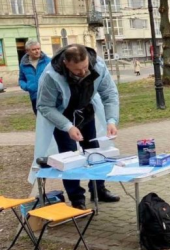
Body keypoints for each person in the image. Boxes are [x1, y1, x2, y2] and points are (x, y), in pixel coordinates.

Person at [34, 44, 121, 209]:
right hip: (63, 115)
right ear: (66, 63)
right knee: (68, 158)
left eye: (85, 67)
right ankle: (76, 198)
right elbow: (45, 106)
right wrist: (67, 126)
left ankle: (98, 190)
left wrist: (111, 120)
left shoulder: (98, 66)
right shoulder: (50, 75)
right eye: (77, 70)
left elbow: (109, 94)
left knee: (94, 151)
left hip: (85, 111)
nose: (83, 73)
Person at [19, 40, 51, 115]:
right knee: (39, 118)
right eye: (34, 49)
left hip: (49, 96)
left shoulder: (49, 62)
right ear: (27, 51)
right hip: (34, 97)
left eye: (38, 49)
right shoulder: (23, 64)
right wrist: (27, 86)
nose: (37, 51)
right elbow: (21, 79)